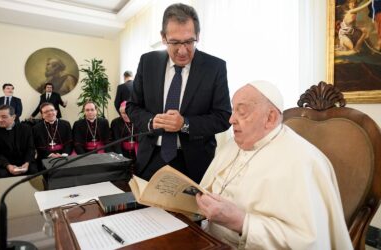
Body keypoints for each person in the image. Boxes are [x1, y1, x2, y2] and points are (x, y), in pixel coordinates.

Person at [195, 81, 352, 249]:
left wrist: (241, 222)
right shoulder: (232, 144)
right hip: (207, 240)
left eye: (241, 112)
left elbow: (308, 241)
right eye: (233, 110)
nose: (231, 119)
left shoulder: (303, 161)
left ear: (270, 118)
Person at [126, 3, 232, 183]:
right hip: (151, 158)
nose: (182, 51)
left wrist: (185, 124)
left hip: (194, 164)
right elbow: (132, 107)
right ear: (163, 37)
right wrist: (151, 121)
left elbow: (223, 117)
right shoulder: (147, 62)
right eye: (174, 42)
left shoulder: (215, 67)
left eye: (189, 41)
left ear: (197, 36)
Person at [0, 105, 38, 178]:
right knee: (3, 175)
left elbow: (30, 148)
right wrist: (8, 166)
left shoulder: (26, 129)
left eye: (4, 117)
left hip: (24, 161)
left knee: (33, 171)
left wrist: (27, 163)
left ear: (14, 117)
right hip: (4, 163)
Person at [32, 102, 73, 170]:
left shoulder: (66, 124)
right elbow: (38, 145)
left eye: (52, 110)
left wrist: (64, 155)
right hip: (45, 156)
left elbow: (69, 142)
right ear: (42, 115)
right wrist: (50, 155)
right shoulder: (36, 128)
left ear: (56, 112)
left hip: (64, 155)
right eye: (46, 111)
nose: (50, 113)